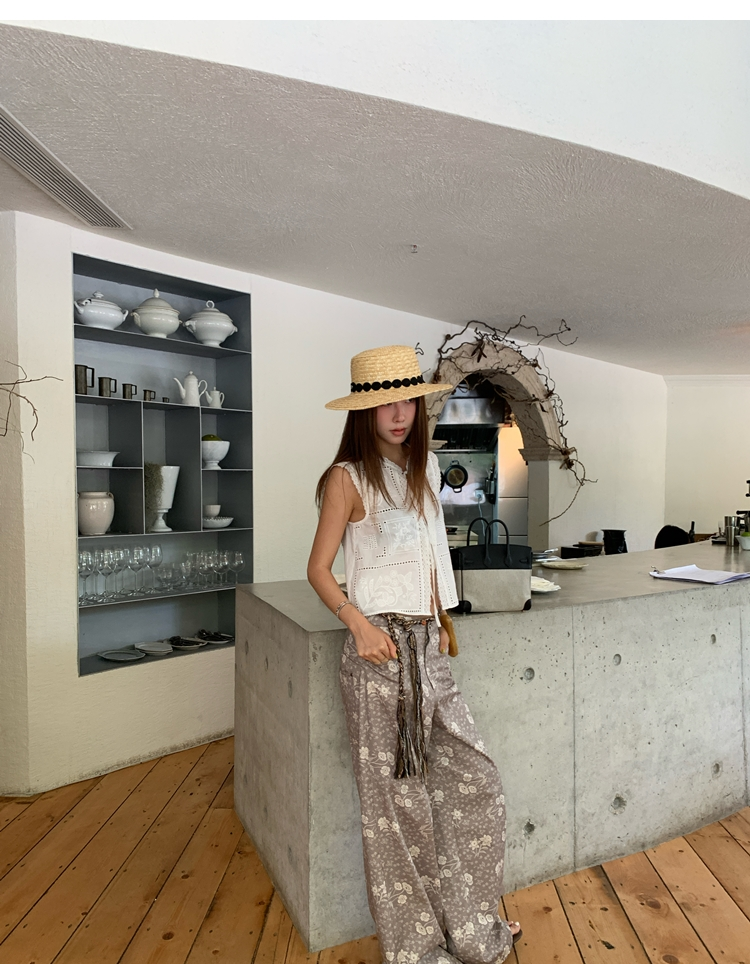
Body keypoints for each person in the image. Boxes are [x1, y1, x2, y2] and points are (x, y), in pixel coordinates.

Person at [307, 345, 521, 964]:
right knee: (395, 811)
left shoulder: (423, 472)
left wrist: (441, 624)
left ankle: (472, 931)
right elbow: (318, 569)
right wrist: (357, 624)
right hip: (380, 655)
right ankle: (417, 952)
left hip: (428, 649)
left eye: (407, 401)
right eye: (385, 404)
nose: (399, 414)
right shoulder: (347, 477)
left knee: (473, 782)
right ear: (364, 412)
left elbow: (425, 560)